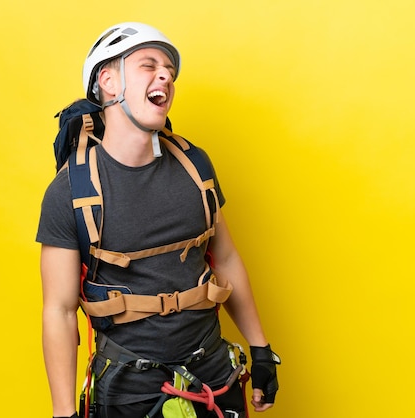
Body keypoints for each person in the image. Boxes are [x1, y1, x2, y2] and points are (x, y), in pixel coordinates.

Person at [37, 22, 280, 418]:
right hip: (128, 393)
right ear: (109, 81)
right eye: (148, 65)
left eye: (169, 70)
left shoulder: (194, 167)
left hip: (216, 380)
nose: (165, 75)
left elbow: (228, 258)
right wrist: (64, 413)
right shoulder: (70, 192)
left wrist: (261, 349)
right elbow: (60, 311)